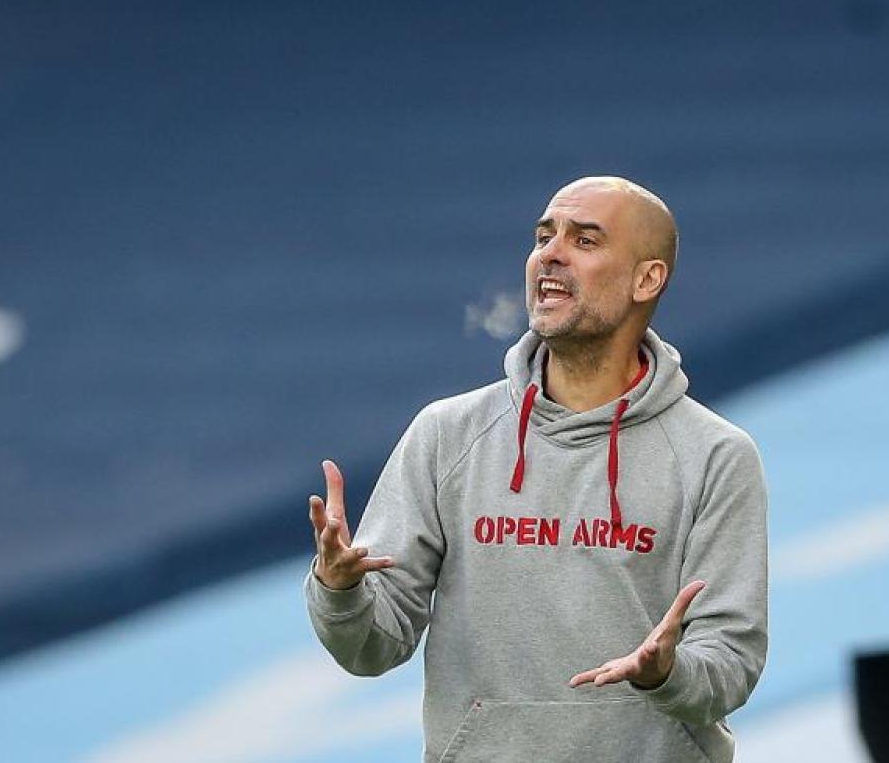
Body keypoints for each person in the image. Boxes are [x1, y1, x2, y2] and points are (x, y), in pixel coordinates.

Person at [305, 176, 769, 762]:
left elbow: (732, 658)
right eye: (544, 236)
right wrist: (341, 592)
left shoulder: (716, 456)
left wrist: (666, 674)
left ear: (647, 278)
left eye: (585, 240)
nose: (549, 253)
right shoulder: (448, 435)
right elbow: (370, 649)